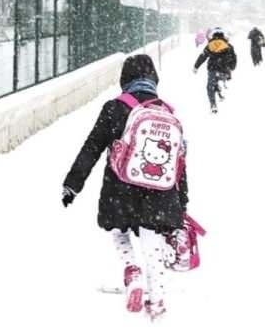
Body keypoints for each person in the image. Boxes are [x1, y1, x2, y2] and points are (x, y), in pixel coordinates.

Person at [61, 54, 189, 320]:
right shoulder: (166, 112)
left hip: (119, 188)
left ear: (125, 79)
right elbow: (179, 163)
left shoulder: (115, 107)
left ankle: (132, 271)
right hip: (160, 193)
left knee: (119, 231)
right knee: (152, 239)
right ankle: (157, 301)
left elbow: (92, 147)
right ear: (154, 79)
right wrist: (182, 202)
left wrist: (73, 184)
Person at [194, 28, 237, 114]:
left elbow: (202, 56)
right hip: (224, 70)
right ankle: (219, 89)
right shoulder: (229, 46)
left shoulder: (210, 45)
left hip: (212, 69)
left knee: (210, 86)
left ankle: (213, 104)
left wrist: (196, 66)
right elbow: (234, 58)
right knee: (218, 80)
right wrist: (231, 68)